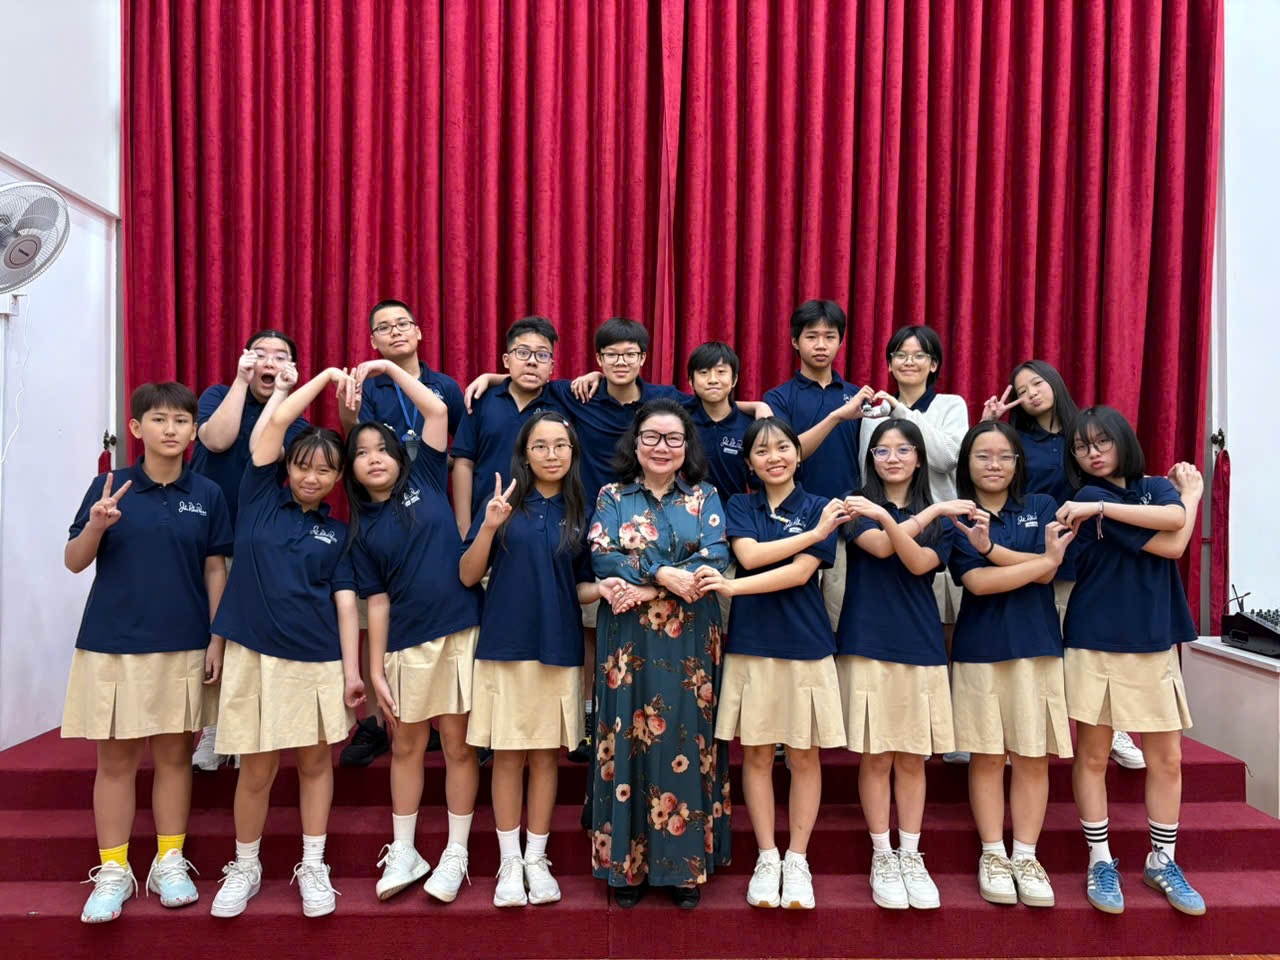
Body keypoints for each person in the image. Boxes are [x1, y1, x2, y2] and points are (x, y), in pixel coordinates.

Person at [63, 383, 233, 923]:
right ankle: (113, 871)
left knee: (175, 758)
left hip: (185, 643)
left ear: (193, 430)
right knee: (116, 762)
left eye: (181, 421)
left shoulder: (208, 493)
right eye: (159, 419)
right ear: (136, 428)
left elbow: (215, 568)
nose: (171, 429)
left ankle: (169, 861)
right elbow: (74, 560)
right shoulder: (110, 486)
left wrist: (217, 637)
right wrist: (96, 525)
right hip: (113, 643)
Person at [207, 366, 365, 920]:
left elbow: (346, 604)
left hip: (316, 660)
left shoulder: (339, 533)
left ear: (339, 478)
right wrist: (322, 380)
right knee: (255, 768)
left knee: (316, 763)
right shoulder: (258, 497)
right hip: (253, 655)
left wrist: (352, 672)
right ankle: (245, 866)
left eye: (325, 470)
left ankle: (313, 865)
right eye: (302, 466)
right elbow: (274, 424)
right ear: (287, 467)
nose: (311, 477)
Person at [460, 411, 626, 907]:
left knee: (545, 756)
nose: (551, 455)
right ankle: (509, 861)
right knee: (508, 755)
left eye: (560, 446)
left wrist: (603, 587)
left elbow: (578, 585)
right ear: (525, 454)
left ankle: (536, 856)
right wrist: (488, 527)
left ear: (573, 453)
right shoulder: (503, 503)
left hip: (559, 644)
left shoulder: (583, 509)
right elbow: (467, 574)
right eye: (540, 446)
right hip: (506, 643)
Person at [344, 358, 486, 905]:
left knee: (457, 745)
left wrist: (385, 366)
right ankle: (404, 850)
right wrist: (375, 668)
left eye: (382, 449)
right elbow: (376, 603)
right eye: (361, 453)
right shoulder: (361, 526)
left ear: (398, 454)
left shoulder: (425, 476)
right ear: (351, 469)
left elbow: (437, 410)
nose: (374, 458)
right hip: (404, 644)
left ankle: (456, 852)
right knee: (405, 744)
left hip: (459, 631)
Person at [1055, 406, 1205, 917]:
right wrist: (1188, 496)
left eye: (1102, 442)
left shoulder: (1151, 489)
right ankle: (1100, 859)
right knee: (1093, 756)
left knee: (1168, 758)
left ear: (1123, 441)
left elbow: (1176, 532)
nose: (1092, 453)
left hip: (1154, 636)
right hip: (1094, 636)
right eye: (1081, 447)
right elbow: (1174, 541)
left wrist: (1189, 498)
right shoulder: (1084, 498)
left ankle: (1162, 860)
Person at [695, 417, 849, 910]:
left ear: (798, 455)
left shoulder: (820, 505)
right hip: (752, 643)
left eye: (782, 447)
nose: (774, 457)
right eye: (761, 451)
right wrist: (815, 534)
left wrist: (731, 587)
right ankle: (767, 856)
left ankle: (797, 858)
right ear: (749, 463)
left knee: (803, 756)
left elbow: (800, 573)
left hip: (806, 644)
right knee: (758, 755)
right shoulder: (740, 505)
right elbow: (751, 555)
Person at [586, 398, 732, 909]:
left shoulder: (705, 495)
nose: (662, 447)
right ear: (636, 442)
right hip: (627, 636)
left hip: (689, 635)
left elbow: (716, 554)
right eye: (651, 437)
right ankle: (625, 866)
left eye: (673, 438)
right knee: (626, 735)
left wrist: (651, 584)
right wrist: (662, 571)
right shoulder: (611, 495)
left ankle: (682, 868)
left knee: (686, 736)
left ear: (687, 445)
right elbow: (601, 554)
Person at [835, 419, 974, 911]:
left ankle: (911, 854)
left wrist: (914, 514)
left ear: (919, 458)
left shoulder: (941, 519)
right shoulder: (854, 504)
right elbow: (876, 547)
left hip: (919, 641)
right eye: (882, 450)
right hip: (866, 638)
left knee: (913, 757)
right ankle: (882, 855)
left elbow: (916, 562)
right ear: (870, 459)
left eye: (903, 449)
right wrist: (923, 510)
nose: (892, 458)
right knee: (876, 755)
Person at [982, 362, 1146, 772]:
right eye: (1022, 390)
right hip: (1031, 550)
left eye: (1037, 383)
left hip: (1093, 551)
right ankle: (1016, 732)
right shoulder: (1017, 439)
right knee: (1037, 646)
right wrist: (989, 424)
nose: (1031, 393)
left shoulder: (1086, 432)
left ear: (1055, 382)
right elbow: (988, 476)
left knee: (1094, 645)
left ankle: (1113, 728)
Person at [948, 421, 1074, 907]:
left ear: (1018, 462)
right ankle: (993, 853)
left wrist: (994, 553)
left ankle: (1026, 855)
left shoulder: (1040, 506)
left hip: (1036, 646)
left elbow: (1046, 573)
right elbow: (979, 584)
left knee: (1031, 755)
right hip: (980, 649)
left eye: (1004, 456)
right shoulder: (959, 516)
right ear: (967, 463)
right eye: (983, 456)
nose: (994, 465)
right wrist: (1040, 563)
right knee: (986, 756)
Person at [336, 299, 466, 767]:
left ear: (419, 332)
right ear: (372, 340)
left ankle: (440, 725)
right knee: (380, 608)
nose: (394, 332)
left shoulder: (443, 386)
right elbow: (357, 436)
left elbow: (454, 437)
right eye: (383, 328)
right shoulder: (368, 386)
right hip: (380, 509)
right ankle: (376, 721)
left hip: (425, 499)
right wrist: (349, 406)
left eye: (402, 324)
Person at [189, 329, 308, 771]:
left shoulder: (294, 418)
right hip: (203, 529)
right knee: (205, 632)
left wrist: (280, 395)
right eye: (260, 354)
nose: (269, 362)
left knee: (241, 636)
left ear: (292, 368)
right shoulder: (217, 395)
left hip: (254, 536)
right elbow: (215, 440)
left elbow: (262, 448)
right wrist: (240, 382)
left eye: (280, 356)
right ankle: (211, 730)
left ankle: (239, 731)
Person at [859, 325, 971, 762]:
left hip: (941, 529)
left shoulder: (950, 405)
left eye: (919, 355)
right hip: (888, 527)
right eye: (900, 355)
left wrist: (901, 411)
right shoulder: (873, 412)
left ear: (934, 364)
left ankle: (946, 729)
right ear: (888, 363)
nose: (909, 362)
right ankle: (909, 729)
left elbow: (945, 457)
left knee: (947, 627)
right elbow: (870, 467)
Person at [763, 300, 876, 632]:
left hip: (847, 522)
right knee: (792, 618)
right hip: (793, 522)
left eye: (830, 337)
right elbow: (786, 454)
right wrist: (837, 417)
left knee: (842, 619)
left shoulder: (857, 397)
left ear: (841, 341)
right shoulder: (778, 398)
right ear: (795, 342)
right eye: (812, 336)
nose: (821, 345)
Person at [451, 316, 565, 538]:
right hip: (486, 521)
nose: (532, 362)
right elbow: (464, 463)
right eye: (522, 353)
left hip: (544, 528)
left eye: (542, 355)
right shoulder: (481, 400)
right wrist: (464, 527)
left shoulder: (564, 400)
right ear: (506, 360)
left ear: (551, 366)